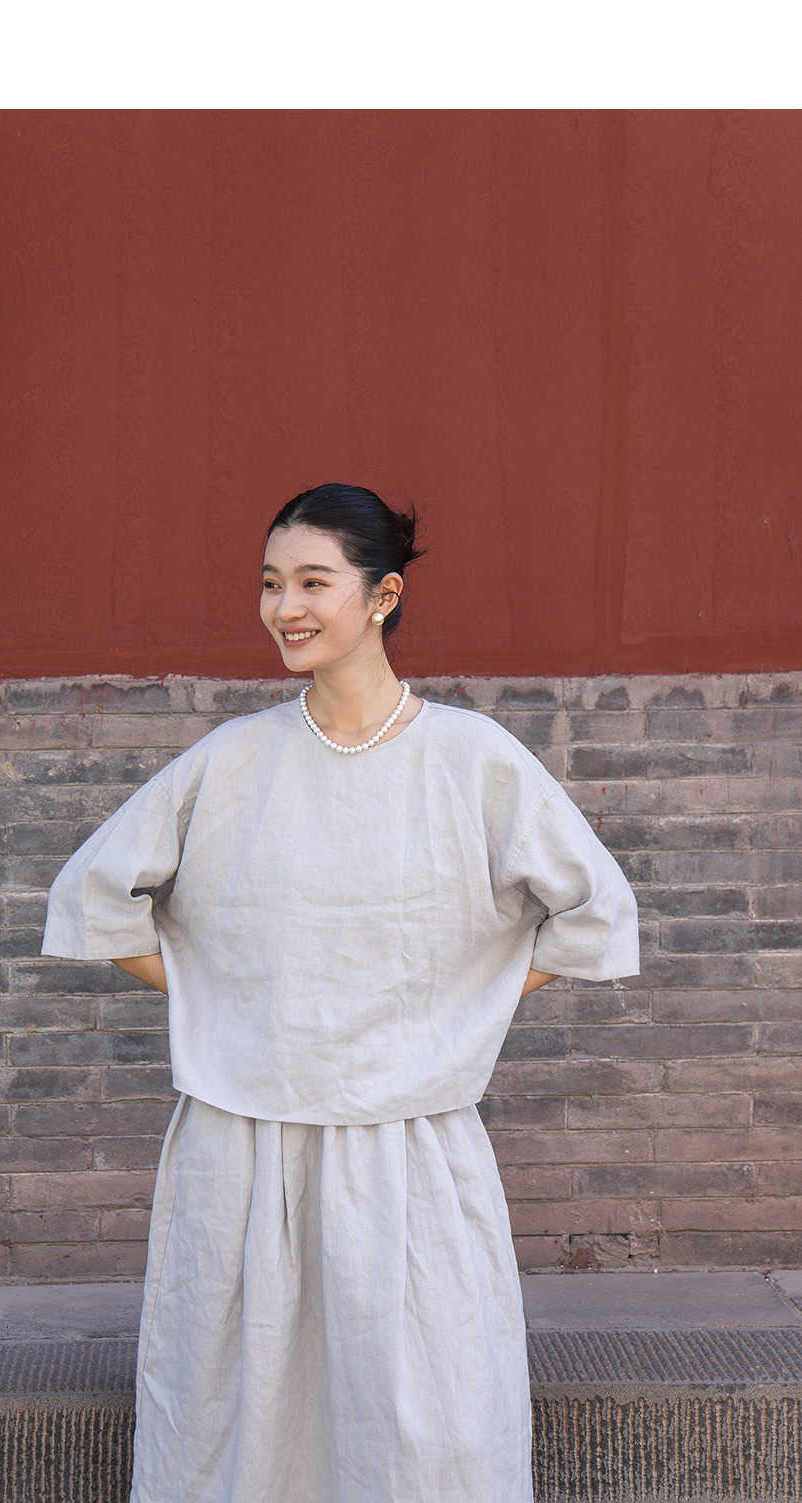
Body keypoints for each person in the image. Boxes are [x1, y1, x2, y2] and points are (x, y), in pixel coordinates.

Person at [40, 481, 641, 1503]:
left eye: (314, 582)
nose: (286, 608)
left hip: (409, 1147)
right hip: (244, 1146)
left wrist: (460, 1009)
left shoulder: (472, 760)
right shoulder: (233, 760)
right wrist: (225, 1005)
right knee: (236, 1425)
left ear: (383, 595)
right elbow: (93, 899)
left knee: (426, 1429)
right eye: (271, 583)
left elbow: (594, 913)